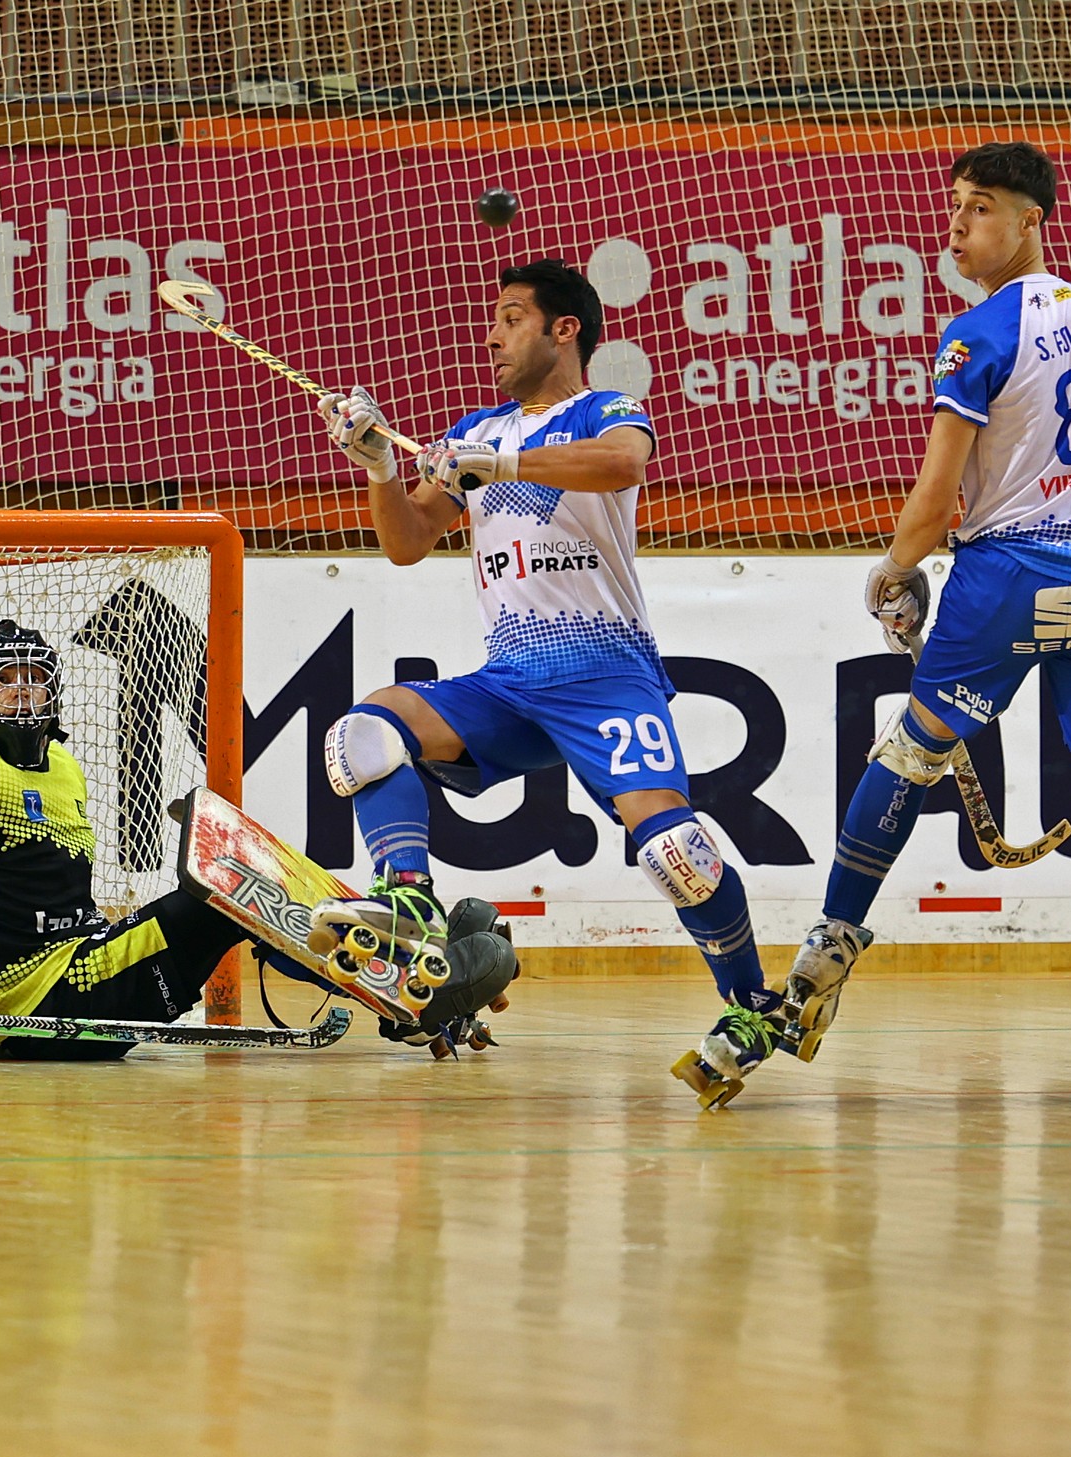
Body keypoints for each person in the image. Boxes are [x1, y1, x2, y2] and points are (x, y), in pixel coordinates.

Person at [745, 142, 1071, 1099]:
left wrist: (894, 571)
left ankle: (821, 962)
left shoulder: (977, 332)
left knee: (907, 755)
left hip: (1010, 579)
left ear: (1033, 220)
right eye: (956, 206)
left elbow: (934, 501)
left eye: (982, 208)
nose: (958, 226)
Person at [314, 258, 778, 1034]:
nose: (492, 337)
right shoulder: (476, 432)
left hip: (606, 676)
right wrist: (382, 469)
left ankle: (752, 1005)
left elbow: (624, 462)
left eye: (511, 318)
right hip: (510, 685)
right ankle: (408, 901)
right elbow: (407, 541)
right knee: (363, 734)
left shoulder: (603, 410)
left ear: (564, 330)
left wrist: (497, 467)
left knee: (676, 854)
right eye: (494, 321)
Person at [0, 621, 510, 1059]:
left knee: (241, 891)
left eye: (35, 679)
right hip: (27, 1010)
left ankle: (409, 976)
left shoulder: (63, 767)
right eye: (3, 681)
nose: (22, 693)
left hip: (78, 975)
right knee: (228, 890)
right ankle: (416, 991)